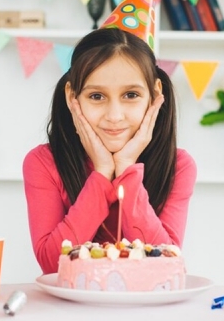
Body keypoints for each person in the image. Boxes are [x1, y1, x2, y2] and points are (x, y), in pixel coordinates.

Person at [22, 26, 197, 274]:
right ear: (72, 96)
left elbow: (166, 265)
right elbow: (52, 265)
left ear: (155, 95)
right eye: (96, 96)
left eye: (131, 94)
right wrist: (102, 174)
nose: (114, 116)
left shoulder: (178, 165)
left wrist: (126, 168)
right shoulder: (43, 162)